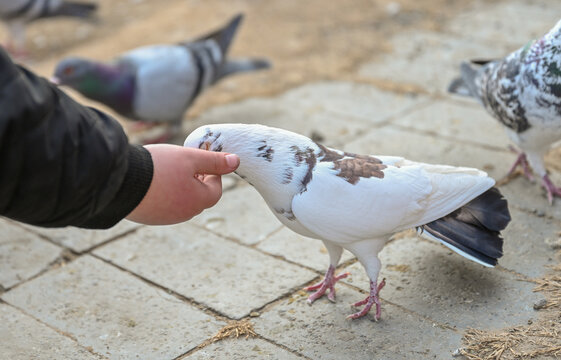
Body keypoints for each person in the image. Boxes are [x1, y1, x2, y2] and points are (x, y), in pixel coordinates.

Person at [0, 47, 239, 229]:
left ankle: (168, 121)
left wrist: (133, 178)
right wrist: (133, 180)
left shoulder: (146, 82)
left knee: (157, 104)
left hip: (193, 67)